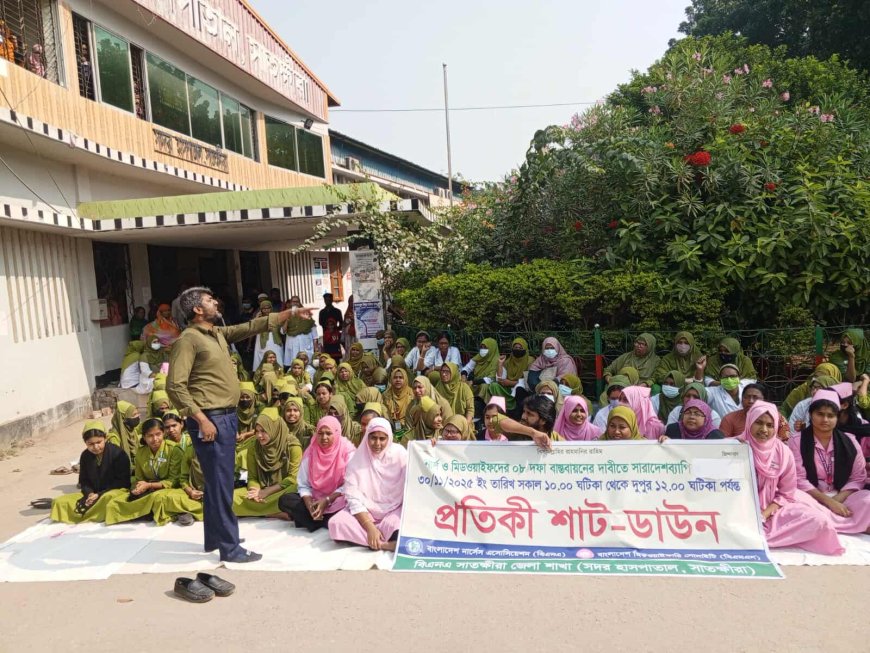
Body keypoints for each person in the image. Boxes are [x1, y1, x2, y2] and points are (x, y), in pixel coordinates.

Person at [167, 286, 313, 562]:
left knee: (215, 482)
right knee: (221, 483)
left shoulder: (216, 334)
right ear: (197, 310)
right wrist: (200, 419)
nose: (215, 302)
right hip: (211, 419)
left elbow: (249, 327)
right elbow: (175, 386)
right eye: (209, 300)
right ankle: (230, 548)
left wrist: (289, 313)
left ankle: (215, 536)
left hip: (225, 416)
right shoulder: (188, 340)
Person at [738, 401, 844, 554]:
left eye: (769, 425)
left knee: (819, 521)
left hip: (773, 508)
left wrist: (763, 515)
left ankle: (755, 535)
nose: (764, 430)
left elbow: (786, 493)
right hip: (739, 509)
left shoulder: (782, 452)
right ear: (749, 422)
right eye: (758, 423)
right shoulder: (734, 448)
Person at [787, 389, 870, 534]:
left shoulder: (850, 441)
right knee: (794, 498)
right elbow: (799, 479)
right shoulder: (796, 441)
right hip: (812, 497)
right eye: (820, 414)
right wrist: (828, 502)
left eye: (830, 415)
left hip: (844, 497)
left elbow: (858, 477)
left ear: (837, 417)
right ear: (811, 415)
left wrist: (837, 499)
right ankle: (853, 524)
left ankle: (825, 523)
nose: (825, 419)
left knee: (868, 501)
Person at [328, 418, 408, 551]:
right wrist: (370, 527)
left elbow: (416, 469)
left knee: (403, 527)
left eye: (382, 439)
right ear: (366, 437)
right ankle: (386, 543)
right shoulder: (356, 460)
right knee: (336, 524)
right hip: (366, 511)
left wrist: (431, 448)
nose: (377, 443)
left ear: (389, 438)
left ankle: (378, 543)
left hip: (393, 509)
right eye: (373, 438)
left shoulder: (400, 454)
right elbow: (353, 498)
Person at [278, 416, 356, 531]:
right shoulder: (311, 452)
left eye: (328, 433)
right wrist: (310, 506)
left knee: (353, 506)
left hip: (339, 500)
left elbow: (351, 484)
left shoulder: (347, 452)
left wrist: (327, 500)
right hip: (316, 499)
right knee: (284, 500)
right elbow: (303, 485)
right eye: (320, 433)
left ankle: (314, 521)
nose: (324, 437)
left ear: (336, 433)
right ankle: (320, 519)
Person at [50, 421, 131, 524]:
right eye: (91, 444)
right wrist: (89, 494)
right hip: (93, 495)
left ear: (105, 439)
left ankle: (92, 514)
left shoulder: (118, 454)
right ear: (85, 443)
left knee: (109, 499)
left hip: (113, 491)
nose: (96, 447)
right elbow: (84, 481)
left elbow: (123, 481)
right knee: (59, 502)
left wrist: (99, 494)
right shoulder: (85, 456)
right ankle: (95, 513)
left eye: (99, 442)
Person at [232, 408, 302, 518]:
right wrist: (254, 491)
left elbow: (293, 478)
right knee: (231, 498)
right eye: (257, 431)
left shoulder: (292, 446)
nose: (259, 435)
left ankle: (261, 512)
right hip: (262, 490)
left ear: (274, 428)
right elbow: (252, 477)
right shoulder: (254, 447)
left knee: (296, 490)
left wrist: (267, 492)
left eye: (264, 431)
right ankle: (273, 513)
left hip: (282, 490)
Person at [105, 418, 174, 525]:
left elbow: (174, 480)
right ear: (144, 437)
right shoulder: (141, 453)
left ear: (164, 433)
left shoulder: (173, 449)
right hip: (149, 489)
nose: (155, 439)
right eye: (150, 436)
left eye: (158, 434)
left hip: (168, 489)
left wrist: (150, 485)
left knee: (159, 499)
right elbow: (139, 478)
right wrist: (139, 488)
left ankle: (176, 513)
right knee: (115, 503)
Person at [484, 394, 560, 448]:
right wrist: (533, 433)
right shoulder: (517, 431)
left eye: (529, 414)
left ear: (543, 420)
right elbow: (496, 420)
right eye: (524, 412)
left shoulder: (557, 439)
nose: (523, 416)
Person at [719, 383, 787, 439]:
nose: (750, 401)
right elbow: (723, 445)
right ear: (741, 400)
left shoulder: (777, 417)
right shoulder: (729, 419)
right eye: (747, 397)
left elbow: (786, 441)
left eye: (755, 397)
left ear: (765, 400)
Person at [282, 295, 318, 368]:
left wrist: (316, 347)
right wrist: (287, 320)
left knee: (307, 364)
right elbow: (282, 331)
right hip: (292, 343)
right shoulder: (286, 314)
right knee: (294, 365)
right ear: (290, 303)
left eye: (297, 301)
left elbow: (313, 330)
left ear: (299, 302)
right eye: (293, 301)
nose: (295, 303)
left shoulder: (306, 313)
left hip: (305, 343)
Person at [107, 400, 141, 466]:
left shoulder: (132, 430)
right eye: (134, 415)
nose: (138, 416)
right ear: (123, 418)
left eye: (137, 413)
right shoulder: (114, 438)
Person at [252, 300, 284, 370]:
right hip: (262, 344)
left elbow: (282, 331)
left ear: (271, 308)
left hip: (275, 342)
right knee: (263, 359)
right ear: (261, 310)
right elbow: (252, 329)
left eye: (268, 308)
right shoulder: (258, 319)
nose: (266, 310)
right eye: (264, 309)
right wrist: (256, 318)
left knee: (277, 358)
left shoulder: (276, 317)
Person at [382, 367, 414, 433]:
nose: (398, 380)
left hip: (409, 428)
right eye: (395, 377)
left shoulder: (412, 394)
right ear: (391, 379)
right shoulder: (386, 395)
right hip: (390, 428)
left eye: (401, 377)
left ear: (405, 379)